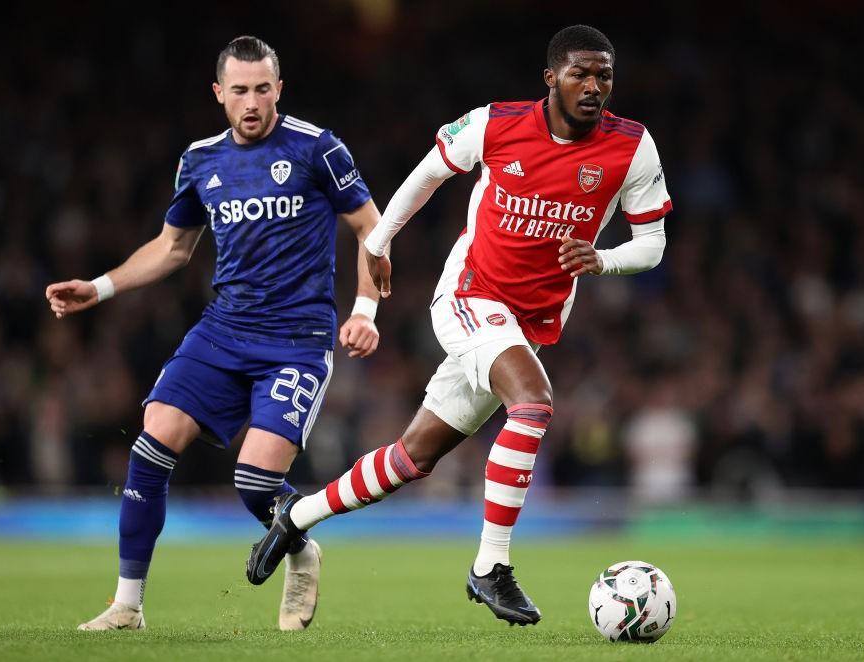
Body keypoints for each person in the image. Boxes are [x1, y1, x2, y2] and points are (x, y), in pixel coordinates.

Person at [246, 25, 672, 626]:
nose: (594, 86)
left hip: (530, 319)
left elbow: (652, 243)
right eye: (580, 72)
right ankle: (490, 567)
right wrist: (380, 241)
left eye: (604, 75)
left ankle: (298, 515)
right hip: (471, 295)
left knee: (412, 457)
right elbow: (427, 174)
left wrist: (603, 258)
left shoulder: (632, 147)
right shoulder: (494, 124)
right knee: (533, 403)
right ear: (550, 77)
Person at [45, 35, 383, 632]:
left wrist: (364, 311)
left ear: (279, 89)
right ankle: (127, 605)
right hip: (223, 332)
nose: (251, 102)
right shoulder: (200, 160)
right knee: (153, 441)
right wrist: (97, 288)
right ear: (218, 94)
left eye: (261, 89)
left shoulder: (317, 148)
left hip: (297, 340)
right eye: (239, 90)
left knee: (254, 482)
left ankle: (301, 549)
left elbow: (370, 227)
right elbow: (173, 248)